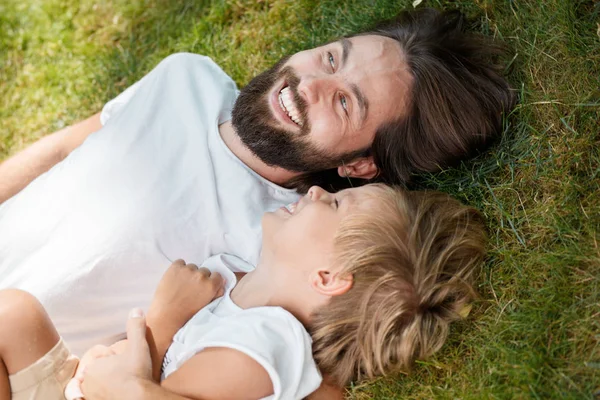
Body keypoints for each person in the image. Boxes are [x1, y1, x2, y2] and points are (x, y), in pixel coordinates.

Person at [0, 8, 511, 357]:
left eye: (344, 102)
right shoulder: (186, 76)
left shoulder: (269, 247)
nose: (310, 85)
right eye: (332, 57)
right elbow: (64, 149)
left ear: (360, 167)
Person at [0, 184, 486, 399]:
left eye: (336, 203)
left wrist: (163, 322)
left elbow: (152, 393)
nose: (317, 191)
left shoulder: (266, 343)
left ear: (328, 278)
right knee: (13, 314)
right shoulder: (229, 281)